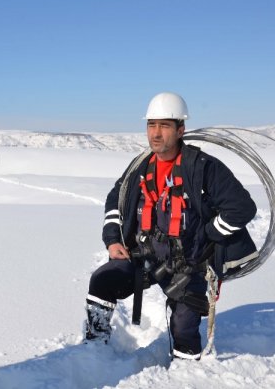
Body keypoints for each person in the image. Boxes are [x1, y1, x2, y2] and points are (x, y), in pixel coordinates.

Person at [84, 92, 257, 360]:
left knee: (183, 329)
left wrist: (208, 237)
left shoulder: (203, 168)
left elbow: (242, 208)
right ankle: (92, 352)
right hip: (145, 258)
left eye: (164, 126)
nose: (156, 133)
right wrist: (113, 239)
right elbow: (114, 200)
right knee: (102, 281)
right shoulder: (139, 167)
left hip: (190, 266)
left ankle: (183, 372)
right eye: (151, 125)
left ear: (180, 130)